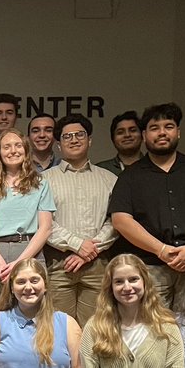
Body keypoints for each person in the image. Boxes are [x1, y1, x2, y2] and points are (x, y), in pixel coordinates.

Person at [109, 103, 185, 309]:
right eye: (154, 128)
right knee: (152, 327)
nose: (162, 133)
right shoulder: (130, 176)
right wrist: (160, 249)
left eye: (168, 126)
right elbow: (120, 219)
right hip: (150, 266)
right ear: (144, 135)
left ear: (178, 132)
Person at [44, 114, 118, 325]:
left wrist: (88, 251)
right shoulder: (44, 180)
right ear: (58, 145)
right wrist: (77, 245)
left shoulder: (109, 179)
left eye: (80, 135)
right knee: (58, 329)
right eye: (67, 136)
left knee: (96, 330)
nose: (74, 140)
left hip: (98, 265)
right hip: (59, 265)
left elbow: (116, 221)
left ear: (90, 140)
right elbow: (44, 223)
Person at [0, 129, 55, 311]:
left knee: (33, 311)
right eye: (6, 147)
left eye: (18, 145)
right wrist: (0, 264)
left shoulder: (40, 183)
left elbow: (45, 229)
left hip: (28, 251)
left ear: (26, 150)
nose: (13, 151)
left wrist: (20, 262)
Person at [97, 110, 143, 177]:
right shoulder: (101, 170)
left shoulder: (154, 166)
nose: (127, 135)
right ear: (113, 139)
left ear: (143, 135)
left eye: (132, 130)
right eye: (120, 132)